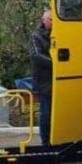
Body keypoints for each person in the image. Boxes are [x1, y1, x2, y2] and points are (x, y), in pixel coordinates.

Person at [29, 8, 53, 145]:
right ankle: (45, 141)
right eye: (50, 20)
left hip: (56, 80)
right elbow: (36, 56)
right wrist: (56, 63)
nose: (52, 22)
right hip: (44, 81)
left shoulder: (58, 33)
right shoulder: (36, 36)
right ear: (43, 21)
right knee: (46, 112)